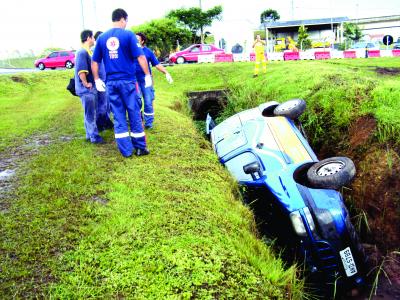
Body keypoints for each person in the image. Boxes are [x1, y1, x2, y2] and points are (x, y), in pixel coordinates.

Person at [92, 8, 152, 157]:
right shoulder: (128, 35)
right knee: (134, 113)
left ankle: (125, 151)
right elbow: (141, 57)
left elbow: (95, 61)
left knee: (118, 116)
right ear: (123, 19)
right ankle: (140, 148)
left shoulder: (102, 38)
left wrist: (97, 79)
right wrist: (147, 75)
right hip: (128, 82)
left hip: (111, 83)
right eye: (126, 21)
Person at [134, 32, 173, 129]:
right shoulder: (130, 51)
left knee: (148, 101)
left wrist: (166, 73)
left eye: (137, 39)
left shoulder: (148, 52)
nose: (135, 40)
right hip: (134, 80)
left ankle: (149, 123)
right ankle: (138, 121)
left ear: (142, 41)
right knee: (136, 101)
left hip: (146, 80)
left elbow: (157, 64)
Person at [74, 29, 103, 144]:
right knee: (91, 114)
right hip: (86, 90)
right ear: (88, 38)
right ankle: (94, 136)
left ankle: (89, 135)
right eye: (92, 37)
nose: (94, 40)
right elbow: (81, 71)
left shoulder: (87, 52)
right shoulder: (82, 52)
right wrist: (86, 83)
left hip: (88, 89)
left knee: (89, 113)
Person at [93, 31, 113, 131]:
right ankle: (100, 123)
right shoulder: (94, 50)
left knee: (107, 103)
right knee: (101, 104)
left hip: (106, 80)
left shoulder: (104, 49)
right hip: (98, 81)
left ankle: (106, 120)